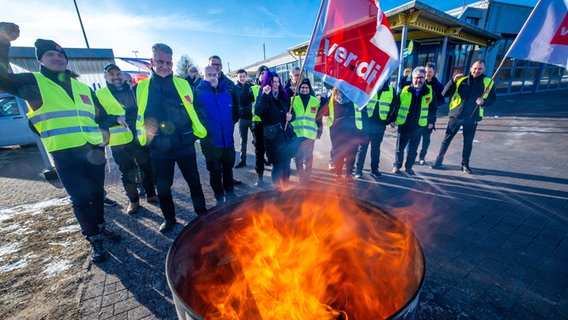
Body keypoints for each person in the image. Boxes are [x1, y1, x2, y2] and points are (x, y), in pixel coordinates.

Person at [0, 22, 126, 262]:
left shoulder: (82, 87)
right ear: (41, 59)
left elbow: (98, 115)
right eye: (51, 54)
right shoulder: (34, 82)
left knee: (97, 193)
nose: (57, 58)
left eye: (60, 54)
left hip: (92, 150)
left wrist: (116, 119)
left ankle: (101, 226)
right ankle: (93, 238)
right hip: (65, 153)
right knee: (79, 198)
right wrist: (3, 41)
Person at [135, 43, 207, 233]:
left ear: (172, 63)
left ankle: (202, 214)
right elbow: (133, 115)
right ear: (152, 62)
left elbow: (198, 111)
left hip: (184, 144)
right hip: (158, 149)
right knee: (163, 187)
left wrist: (191, 137)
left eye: (168, 62)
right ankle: (169, 218)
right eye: (160, 61)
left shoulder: (183, 85)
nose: (165, 66)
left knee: (194, 182)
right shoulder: (141, 88)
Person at [96, 63, 157, 215]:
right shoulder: (100, 94)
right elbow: (98, 118)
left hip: (137, 138)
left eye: (118, 74)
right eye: (111, 75)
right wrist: (115, 119)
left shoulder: (131, 91)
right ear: (105, 77)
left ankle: (151, 195)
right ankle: (133, 201)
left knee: (146, 167)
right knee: (126, 172)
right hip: (118, 142)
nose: (115, 77)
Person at [431, 59, 496, 174]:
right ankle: (438, 161)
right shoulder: (461, 80)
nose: (477, 71)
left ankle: (465, 164)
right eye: (475, 68)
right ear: (471, 68)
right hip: (456, 115)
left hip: (472, 117)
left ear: (484, 69)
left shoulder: (488, 82)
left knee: (468, 142)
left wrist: (484, 101)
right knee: (446, 140)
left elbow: (493, 99)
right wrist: (452, 81)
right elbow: (445, 94)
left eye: (480, 69)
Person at [194, 66, 238, 205]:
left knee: (228, 169)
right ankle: (219, 197)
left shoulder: (227, 92)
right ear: (203, 76)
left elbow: (235, 112)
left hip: (228, 141)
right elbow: (197, 117)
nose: (213, 77)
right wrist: (206, 134)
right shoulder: (198, 93)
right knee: (215, 172)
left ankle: (230, 194)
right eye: (209, 75)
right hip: (210, 143)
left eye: (215, 74)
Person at [391, 66, 437, 175]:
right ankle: (397, 165)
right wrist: (392, 119)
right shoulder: (405, 90)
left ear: (425, 78)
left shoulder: (429, 91)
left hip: (419, 126)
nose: (418, 80)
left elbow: (433, 108)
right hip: (404, 124)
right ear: (412, 78)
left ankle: (409, 167)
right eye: (416, 77)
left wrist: (431, 122)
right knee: (399, 148)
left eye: (421, 77)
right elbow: (396, 105)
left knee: (413, 149)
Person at [254, 71, 295, 188]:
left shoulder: (283, 95)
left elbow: (291, 111)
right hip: (273, 138)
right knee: (278, 165)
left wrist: (291, 116)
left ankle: (286, 188)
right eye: (274, 81)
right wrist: (265, 96)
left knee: (286, 164)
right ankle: (277, 191)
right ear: (268, 82)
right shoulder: (263, 95)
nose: (276, 84)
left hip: (286, 135)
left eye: (278, 81)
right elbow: (259, 111)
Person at [353, 81, 398, 179]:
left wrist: (390, 119)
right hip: (367, 122)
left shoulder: (391, 90)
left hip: (380, 123)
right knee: (363, 147)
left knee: (376, 148)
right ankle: (358, 170)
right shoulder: (367, 86)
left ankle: (374, 170)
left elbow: (394, 106)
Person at [320, 88, 365, 184]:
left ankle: (348, 174)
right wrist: (323, 101)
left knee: (351, 154)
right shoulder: (332, 100)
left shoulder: (355, 99)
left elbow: (362, 113)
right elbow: (324, 113)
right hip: (337, 132)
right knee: (339, 154)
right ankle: (338, 174)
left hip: (353, 131)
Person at [290, 78, 324, 184]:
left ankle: (307, 177)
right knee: (298, 156)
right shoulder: (293, 100)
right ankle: (301, 176)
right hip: (297, 134)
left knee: (309, 157)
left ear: (309, 89)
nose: (304, 89)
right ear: (299, 89)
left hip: (310, 134)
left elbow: (319, 116)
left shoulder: (315, 101)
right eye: (302, 87)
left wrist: (320, 130)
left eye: (306, 87)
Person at [240, 65, 270, 186]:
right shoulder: (253, 88)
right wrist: (245, 87)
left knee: (272, 148)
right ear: (258, 75)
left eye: (266, 73)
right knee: (259, 150)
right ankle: (260, 176)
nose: (264, 75)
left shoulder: (273, 86)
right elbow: (243, 101)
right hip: (257, 124)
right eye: (262, 73)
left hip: (270, 123)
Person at [418, 62, 445, 165]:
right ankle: (410, 157)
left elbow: (442, 100)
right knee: (413, 137)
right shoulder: (419, 82)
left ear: (434, 72)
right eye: (426, 71)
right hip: (417, 116)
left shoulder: (438, 85)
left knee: (426, 139)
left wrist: (434, 102)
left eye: (430, 71)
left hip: (429, 117)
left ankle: (422, 157)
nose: (428, 73)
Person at [234, 69, 253, 168]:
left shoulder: (251, 87)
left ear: (246, 77)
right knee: (243, 140)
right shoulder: (234, 88)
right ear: (237, 78)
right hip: (242, 118)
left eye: (243, 76)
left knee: (257, 140)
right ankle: (243, 160)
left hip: (253, 117)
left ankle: (262, 158)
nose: (242, 78)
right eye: (240, 77)